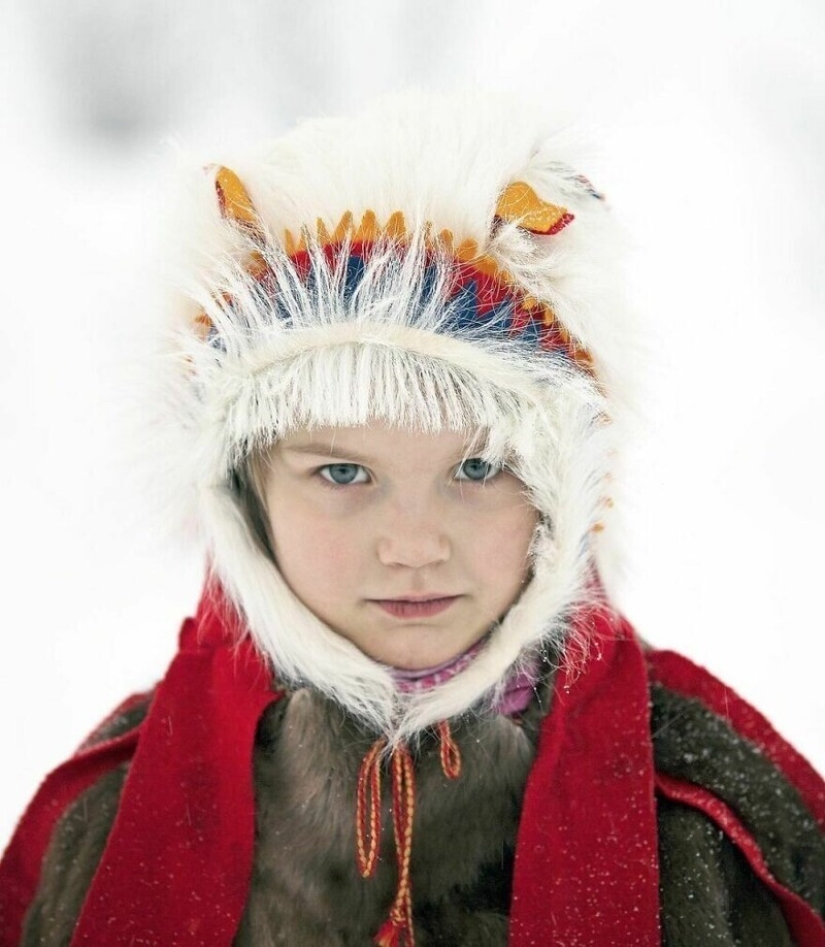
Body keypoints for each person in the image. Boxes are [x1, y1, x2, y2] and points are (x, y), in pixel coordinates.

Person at [1, 92, 823, 947]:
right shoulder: (114, 816)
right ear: (243, 491)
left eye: (477, 468)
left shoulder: (701, 817)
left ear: (561, 492)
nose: (414, 546)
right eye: (343, 473)